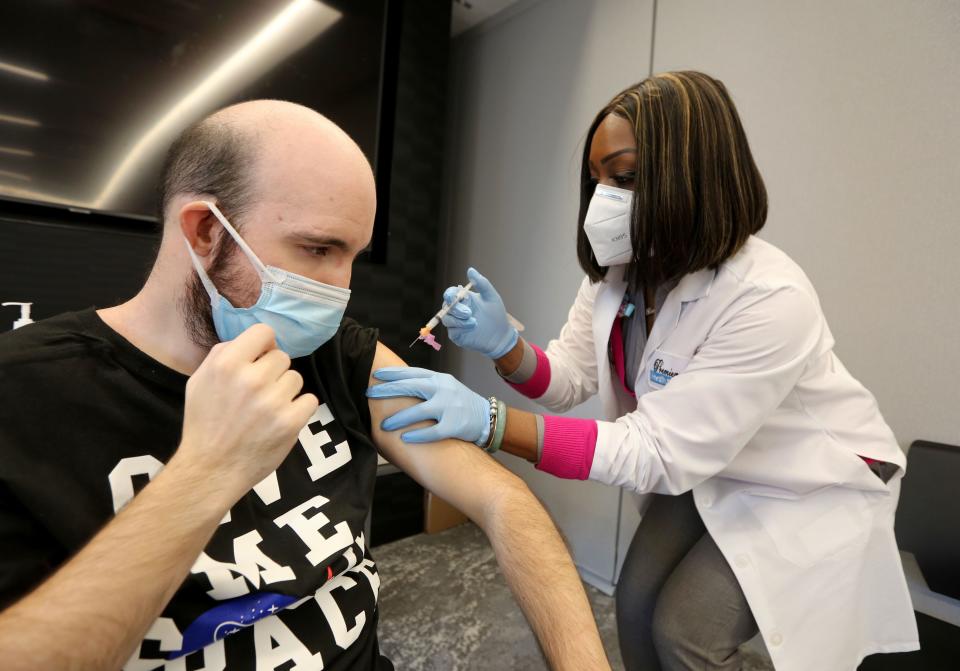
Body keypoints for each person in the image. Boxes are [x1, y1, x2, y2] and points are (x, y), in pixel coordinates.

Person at [0, 100, 611, 671]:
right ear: (205, 232)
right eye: (318, 248)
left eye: (352, 256)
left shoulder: (334, 354)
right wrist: (206, 472)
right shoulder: (28, 393)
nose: (339, 289)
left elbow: (503, 501)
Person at [368, 72, 920, 671]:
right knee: (632, 608)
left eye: (625, 177)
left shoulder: (768, 295)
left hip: (806, 481)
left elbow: (655, 450)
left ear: (695, 173)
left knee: (684, 635)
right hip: (707, 462)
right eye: (597, 179)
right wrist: (504, 346)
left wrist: (491, 423)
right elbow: (568, 380)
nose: (603, 197)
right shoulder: (621, 275)